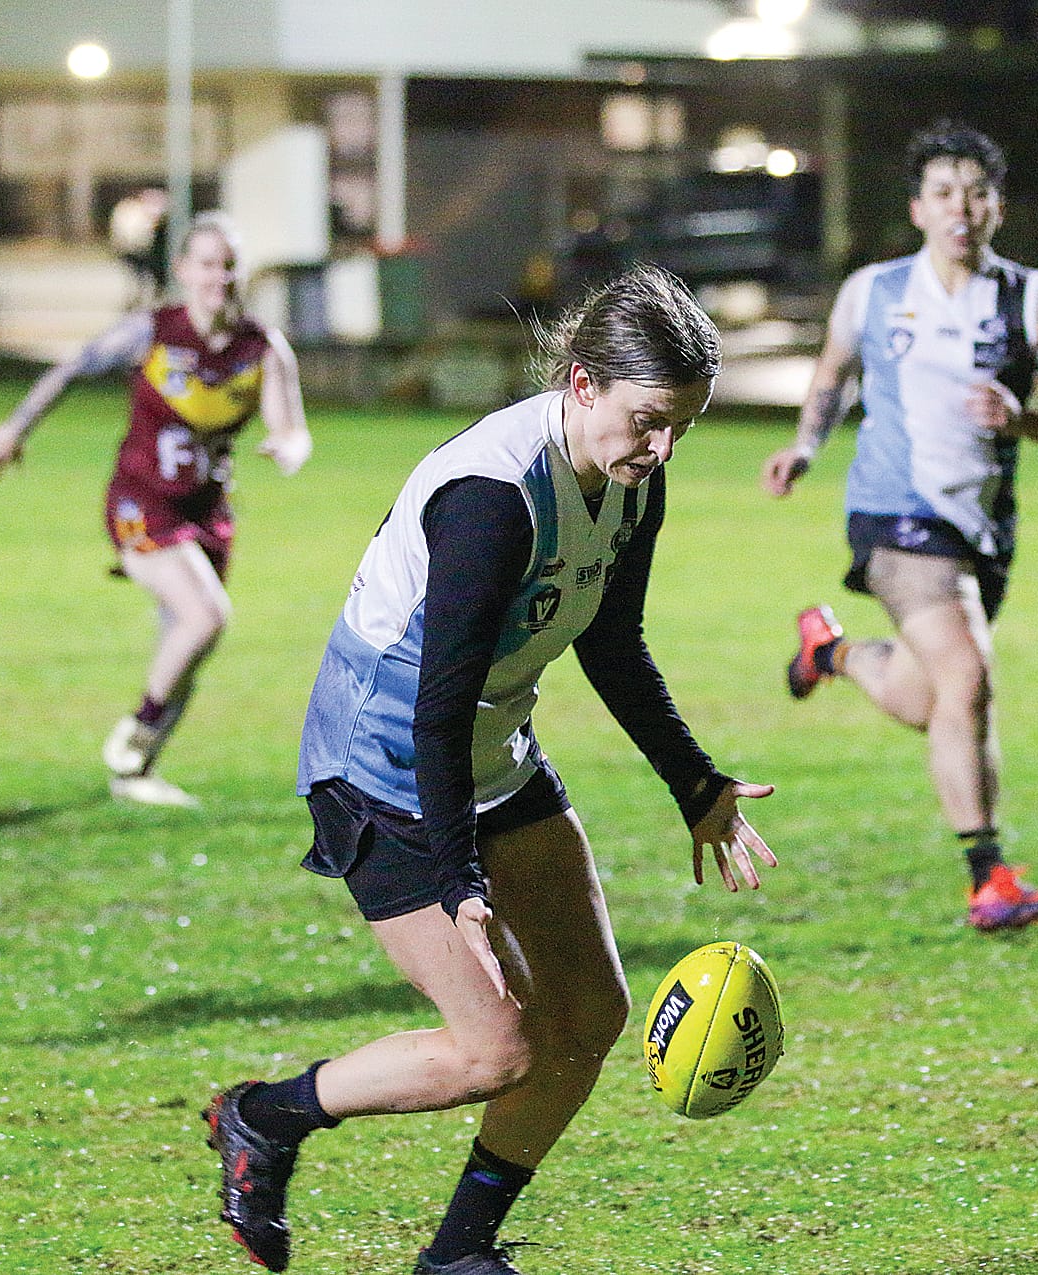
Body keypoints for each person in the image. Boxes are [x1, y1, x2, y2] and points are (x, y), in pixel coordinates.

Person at [204, 264, 777, 1275]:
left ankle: (457, 1254)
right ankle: (265, 1117)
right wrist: (457, 876)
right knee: (495, 1048)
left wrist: (696, 785)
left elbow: (610, 644)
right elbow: (435, 699)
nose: (662, 446)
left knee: (593, 1012)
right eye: (648, 419)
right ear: (581, 380)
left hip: (491, 748)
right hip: (382, 765)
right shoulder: (492, 496)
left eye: (681, 425)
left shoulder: (629, 476)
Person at [761, 120, 1038, 933]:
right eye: (944, 193)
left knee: (932, 696)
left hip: (980, 531)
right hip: (893, 514)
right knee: (968, 679)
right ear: (917, 208)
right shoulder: (874, 291)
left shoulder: (1029, 297)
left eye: (976, 193)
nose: (961, 208)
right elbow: (831, 377)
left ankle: (832, 651)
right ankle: (987, 877)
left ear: (997, 208)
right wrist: (805, 446)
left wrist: (1026, 420)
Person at [0, 211, 313, 808]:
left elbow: (293, 428)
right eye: (207, 263)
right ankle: (139, 726)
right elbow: (71, 369)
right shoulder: (153, 331)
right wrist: (15, 428)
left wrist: (287, 447)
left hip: (209, 513)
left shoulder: (262, 347)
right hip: (141, 500)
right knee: (207, 617)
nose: (219, 276)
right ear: (182, 270)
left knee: (185, 649)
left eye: (229, 264)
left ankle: (136, 773)